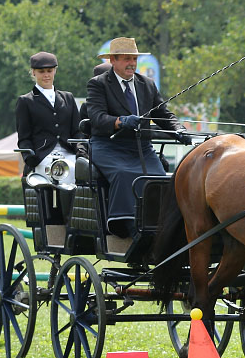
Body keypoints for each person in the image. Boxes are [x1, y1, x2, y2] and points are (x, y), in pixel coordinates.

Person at [86, 37, 181, 237]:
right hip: (108, 146)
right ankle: (124, 225)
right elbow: (96, 118)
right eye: (126, 59)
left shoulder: (146, 84)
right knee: (123, 174)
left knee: (158, 178)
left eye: (134, 59)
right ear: (113, 60)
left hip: (141, 148)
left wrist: (178, 130)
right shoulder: (98, 84)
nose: (132, 63)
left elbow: (163, 115)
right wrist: (120, 121)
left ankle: (156, 226)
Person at [15, 51, 82, 224]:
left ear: (55, 71)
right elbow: (24, 136)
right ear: (33, 73)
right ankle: (65, 220)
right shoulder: (26, 101)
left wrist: (81, 150)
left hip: (69, 152)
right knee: (65, 171)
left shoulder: (67, 98)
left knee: (86, 170)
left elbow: (77, 131)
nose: (46, 75)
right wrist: (29, 157)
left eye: (50, 70)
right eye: (41, 71)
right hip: (42, 156)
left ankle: (83, 219)